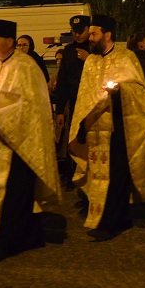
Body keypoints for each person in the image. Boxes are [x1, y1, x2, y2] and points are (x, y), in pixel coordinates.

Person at [0, 20, 61, 261]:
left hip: (24, 142)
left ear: (9, 41)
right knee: (15, 193)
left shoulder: (26, 66)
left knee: (16, 194)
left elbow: (29, 106)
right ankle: (31, 237)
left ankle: (5, 242)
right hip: (4, 141)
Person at [67, 15, 145, 241]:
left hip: (119, 129)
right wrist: (80, 126)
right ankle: (112, 217)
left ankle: (110, 223)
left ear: (107, 35)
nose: (90, 38)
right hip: (95, 129)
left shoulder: (126, 57)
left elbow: (140, 92)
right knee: (98, 177)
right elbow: (83, 96)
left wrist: (120, 92)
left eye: (94, 34)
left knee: (115, 176)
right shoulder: (91, 62)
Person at [52, 15, 91, 173]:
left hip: (92, 104)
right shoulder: (69, 51)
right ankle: (73, 176)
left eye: (81, 31)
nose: (77, 35)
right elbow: (62, 83)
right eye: (74, 31)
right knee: (75, 140)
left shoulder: (96, 50)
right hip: (75, 104)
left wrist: (89, 60)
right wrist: (60, 111)